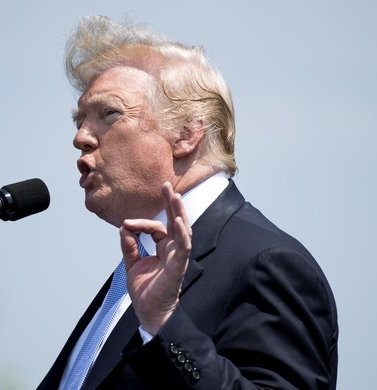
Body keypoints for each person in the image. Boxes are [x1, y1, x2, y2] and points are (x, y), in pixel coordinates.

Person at [38, 15, 338, 389]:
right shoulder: (135, 269)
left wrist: (165, 323)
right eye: (79, 120)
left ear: (186, 133)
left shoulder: (267, 263)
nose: (81, 137)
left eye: (109, 114)